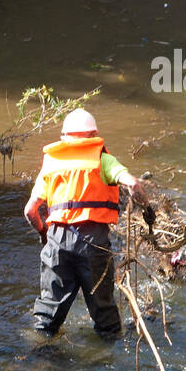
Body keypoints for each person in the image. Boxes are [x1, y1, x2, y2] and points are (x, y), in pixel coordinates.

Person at [22, 108, 151, 338]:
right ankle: (107, 363)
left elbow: (30, 211)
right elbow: (134, 185)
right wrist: (148, 209)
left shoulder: (52, 161)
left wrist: (45, 235)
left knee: (46, 318)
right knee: (105, 316)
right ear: (93, 134)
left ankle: (38, 358)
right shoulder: (102, 159)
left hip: (57, 241)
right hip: (94, 243)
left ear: (65, 136)